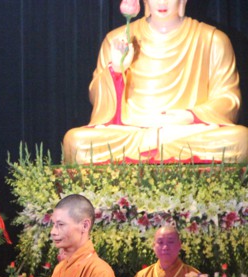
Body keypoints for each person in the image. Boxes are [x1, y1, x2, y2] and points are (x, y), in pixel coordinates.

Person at [63, 0, 248, 164]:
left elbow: (229, 99)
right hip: (133, 131)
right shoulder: (117, 39)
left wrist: (190, 116)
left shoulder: (212, 39)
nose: (162, 2)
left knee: (241, 139)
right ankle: (157, 147)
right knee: (76, 142)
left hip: (184, 131)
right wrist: (117, 70)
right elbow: (97, 98)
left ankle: (155, 147)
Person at [126, 225, 200, 277]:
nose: (165, 247)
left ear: (179, 245)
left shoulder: (193, 276)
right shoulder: (142, 276)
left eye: (170, 242)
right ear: (154, 246)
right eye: (160, 242)